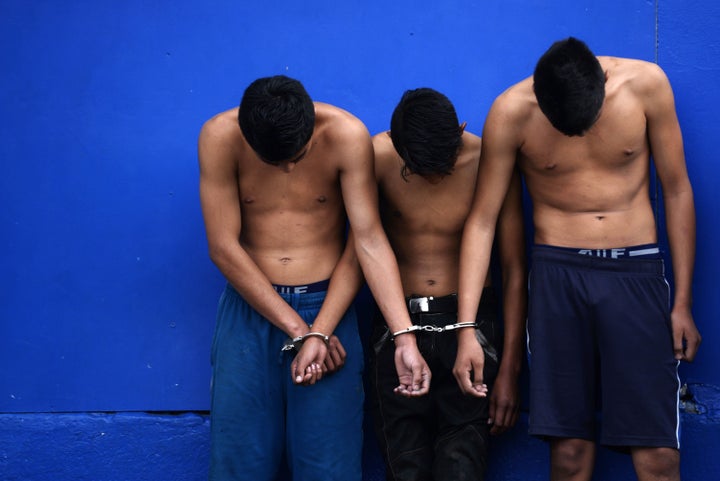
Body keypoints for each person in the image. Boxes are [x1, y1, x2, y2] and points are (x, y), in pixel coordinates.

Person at [456, 37, 702, 481]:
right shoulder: (512, 110)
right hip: (557, 280)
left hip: (636, 272)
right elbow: (482, 221)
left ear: (603, 83)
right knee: (569, 456)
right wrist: (466, 327)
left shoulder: (646, 84)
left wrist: (682, 302)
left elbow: (678, 189)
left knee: (658, 458)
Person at [198, 75, 430, 481]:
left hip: (328, 307)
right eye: (275, 162)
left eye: (298, 155)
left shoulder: (345, 134)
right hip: (250, 311)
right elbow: (223, 247)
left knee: (329, 468)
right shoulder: (220, 136)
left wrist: (401, 336)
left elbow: (368, 241)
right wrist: (302, 332)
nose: (288, 167)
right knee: (238, 465)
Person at [369, 88, 527, 480]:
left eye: (446, 166)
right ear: (395, 143)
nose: (434, 179)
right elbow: (363, 243)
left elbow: (514, 269)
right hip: (398, 322)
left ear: (460, 130)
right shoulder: (376, 158)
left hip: (473, 324)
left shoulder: (488, 160)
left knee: (463, 466)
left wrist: (510, 369)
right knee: (404, 466)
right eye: (417, 170)